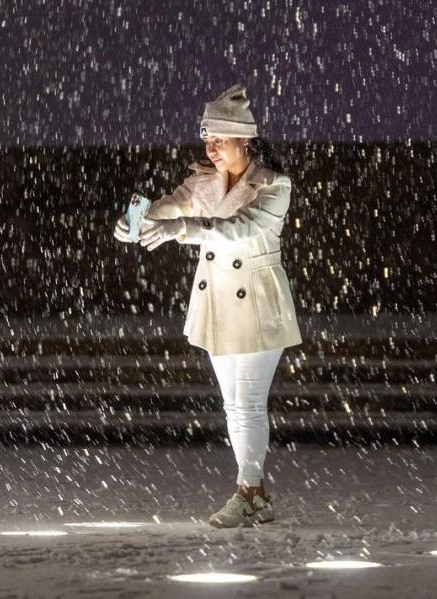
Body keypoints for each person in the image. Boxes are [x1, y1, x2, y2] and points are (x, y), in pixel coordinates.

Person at [113, 83, 302, 528]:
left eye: (220, 138)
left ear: (246, 139)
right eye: (207, 139)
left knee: (250, 402)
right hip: (217, 301)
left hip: (258, 302)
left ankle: (247, 491)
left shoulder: (275, 186)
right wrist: (134, 219)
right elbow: (168, 205)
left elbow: (242, 228)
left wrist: (183, 229)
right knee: (233, 404)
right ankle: (253, 495)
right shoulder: (202, 183)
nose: (212, 147)